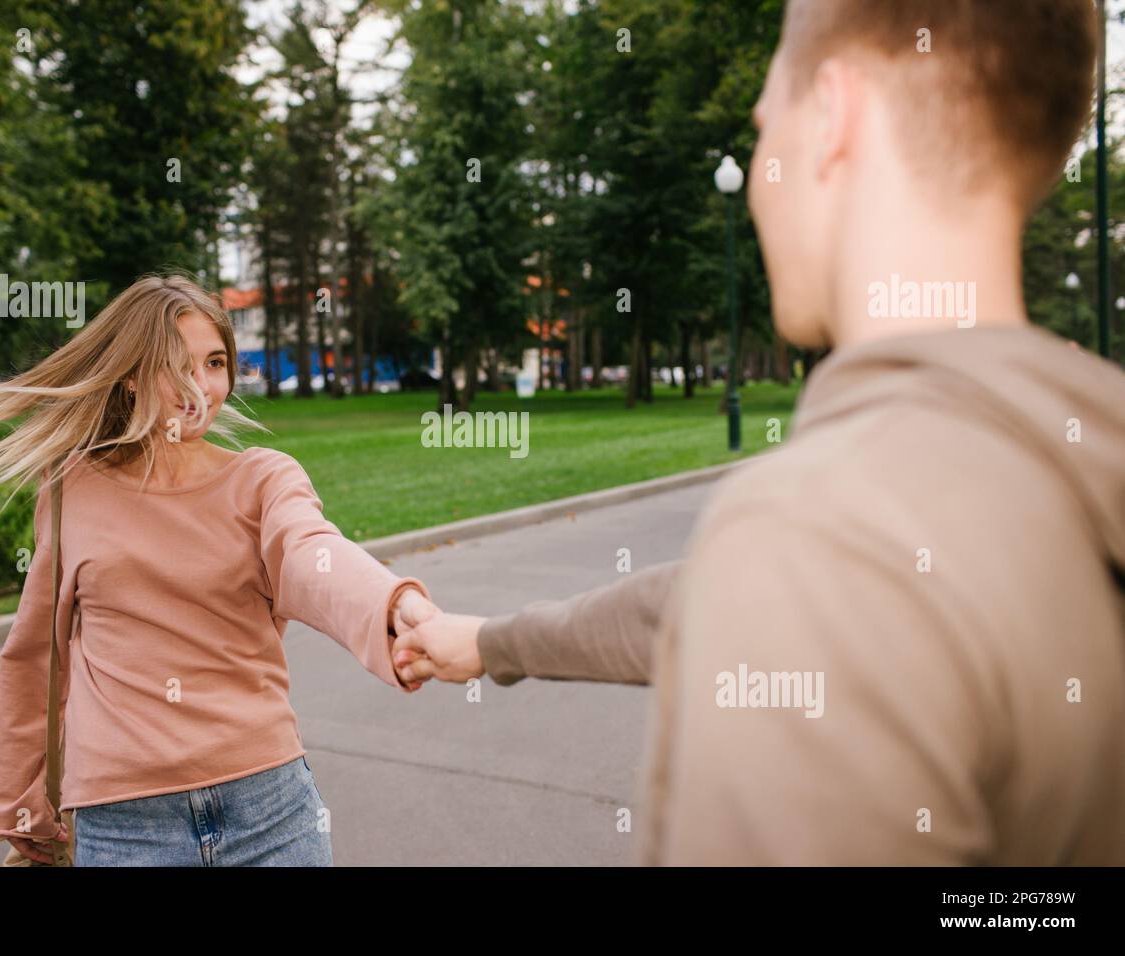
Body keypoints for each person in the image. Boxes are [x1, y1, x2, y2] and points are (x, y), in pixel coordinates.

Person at [393, 0, 1125, 864]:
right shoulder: (1063, 463)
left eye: (764, 125)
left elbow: (803, 588)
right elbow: (695, 605)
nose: (760, 168)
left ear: (834, 116)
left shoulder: (813, 539)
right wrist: (487, 643)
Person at [0, 273, 439, 866]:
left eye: (214, 363)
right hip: (125, 827)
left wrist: (392, 605)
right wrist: (23, 803)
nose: (200, 388)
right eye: (175, 366)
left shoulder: (263, 479)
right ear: (129, 374)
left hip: (272, 810)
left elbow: (312, 553)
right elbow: (37, 657)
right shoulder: (71, 487)